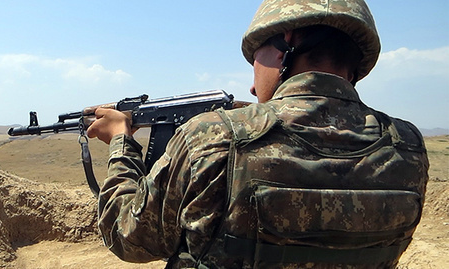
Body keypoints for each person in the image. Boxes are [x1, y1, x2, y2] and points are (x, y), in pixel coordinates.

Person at [87, 0, 429, 268]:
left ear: (286, 43)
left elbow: (128, 236)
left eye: (256, 59)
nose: (252, 85)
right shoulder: (408, 147)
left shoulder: (211, 138)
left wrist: (121, 140)